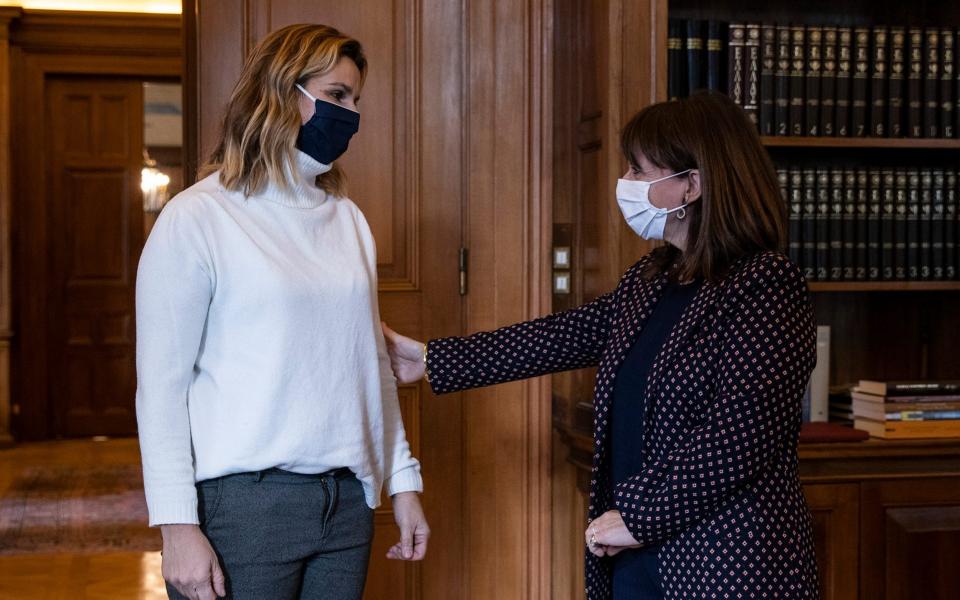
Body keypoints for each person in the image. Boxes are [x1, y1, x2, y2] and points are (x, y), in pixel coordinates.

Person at [383, 91, 819, 599]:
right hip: (637, 553)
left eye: (638, 170)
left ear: (691, 186)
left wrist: (638, 516)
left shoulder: (766, 284)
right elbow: (561, 337)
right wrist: (434, 359)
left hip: (722, 559)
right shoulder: (653, 276)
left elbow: (741, 436)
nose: (625, 184)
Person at [136, 24, 428, 600]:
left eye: (354, 100)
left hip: (346, 504)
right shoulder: (198, 218)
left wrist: (403, 483)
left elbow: (370, 365)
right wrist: (176, 525)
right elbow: (161, 388)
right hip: (244, 507)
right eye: (337, 95)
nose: (349, 114)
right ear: (281, 92)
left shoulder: (347, 220)